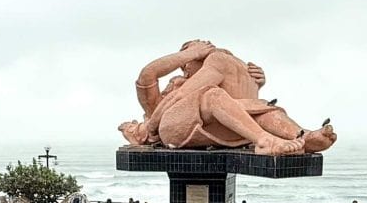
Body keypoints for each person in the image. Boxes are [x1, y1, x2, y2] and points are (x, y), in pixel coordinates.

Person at [118, 40, 337, 155]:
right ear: (184, 65)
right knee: (212, 94)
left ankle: (303, 136)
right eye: (201, 48)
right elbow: (147, 75)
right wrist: (192, 52)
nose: (206, 47)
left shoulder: (212, 82)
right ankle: (264, 141)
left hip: (208, 127)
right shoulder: (174, 87)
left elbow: (231, 111)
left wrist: (256, 84)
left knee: (257, 108)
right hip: (171, 130)